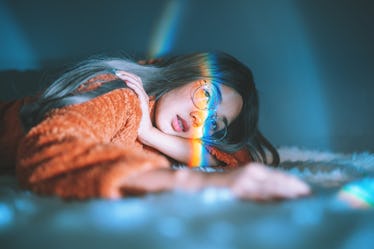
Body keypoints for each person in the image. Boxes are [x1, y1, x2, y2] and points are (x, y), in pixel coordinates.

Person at [0, 51, 310, 200]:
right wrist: (191, 183)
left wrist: (152, 135)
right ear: (183, 73)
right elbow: (49, 152)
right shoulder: (121, 94)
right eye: (205, 96)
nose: (199, 120)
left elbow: (235, 157)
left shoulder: (165, 125)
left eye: (215, 123)